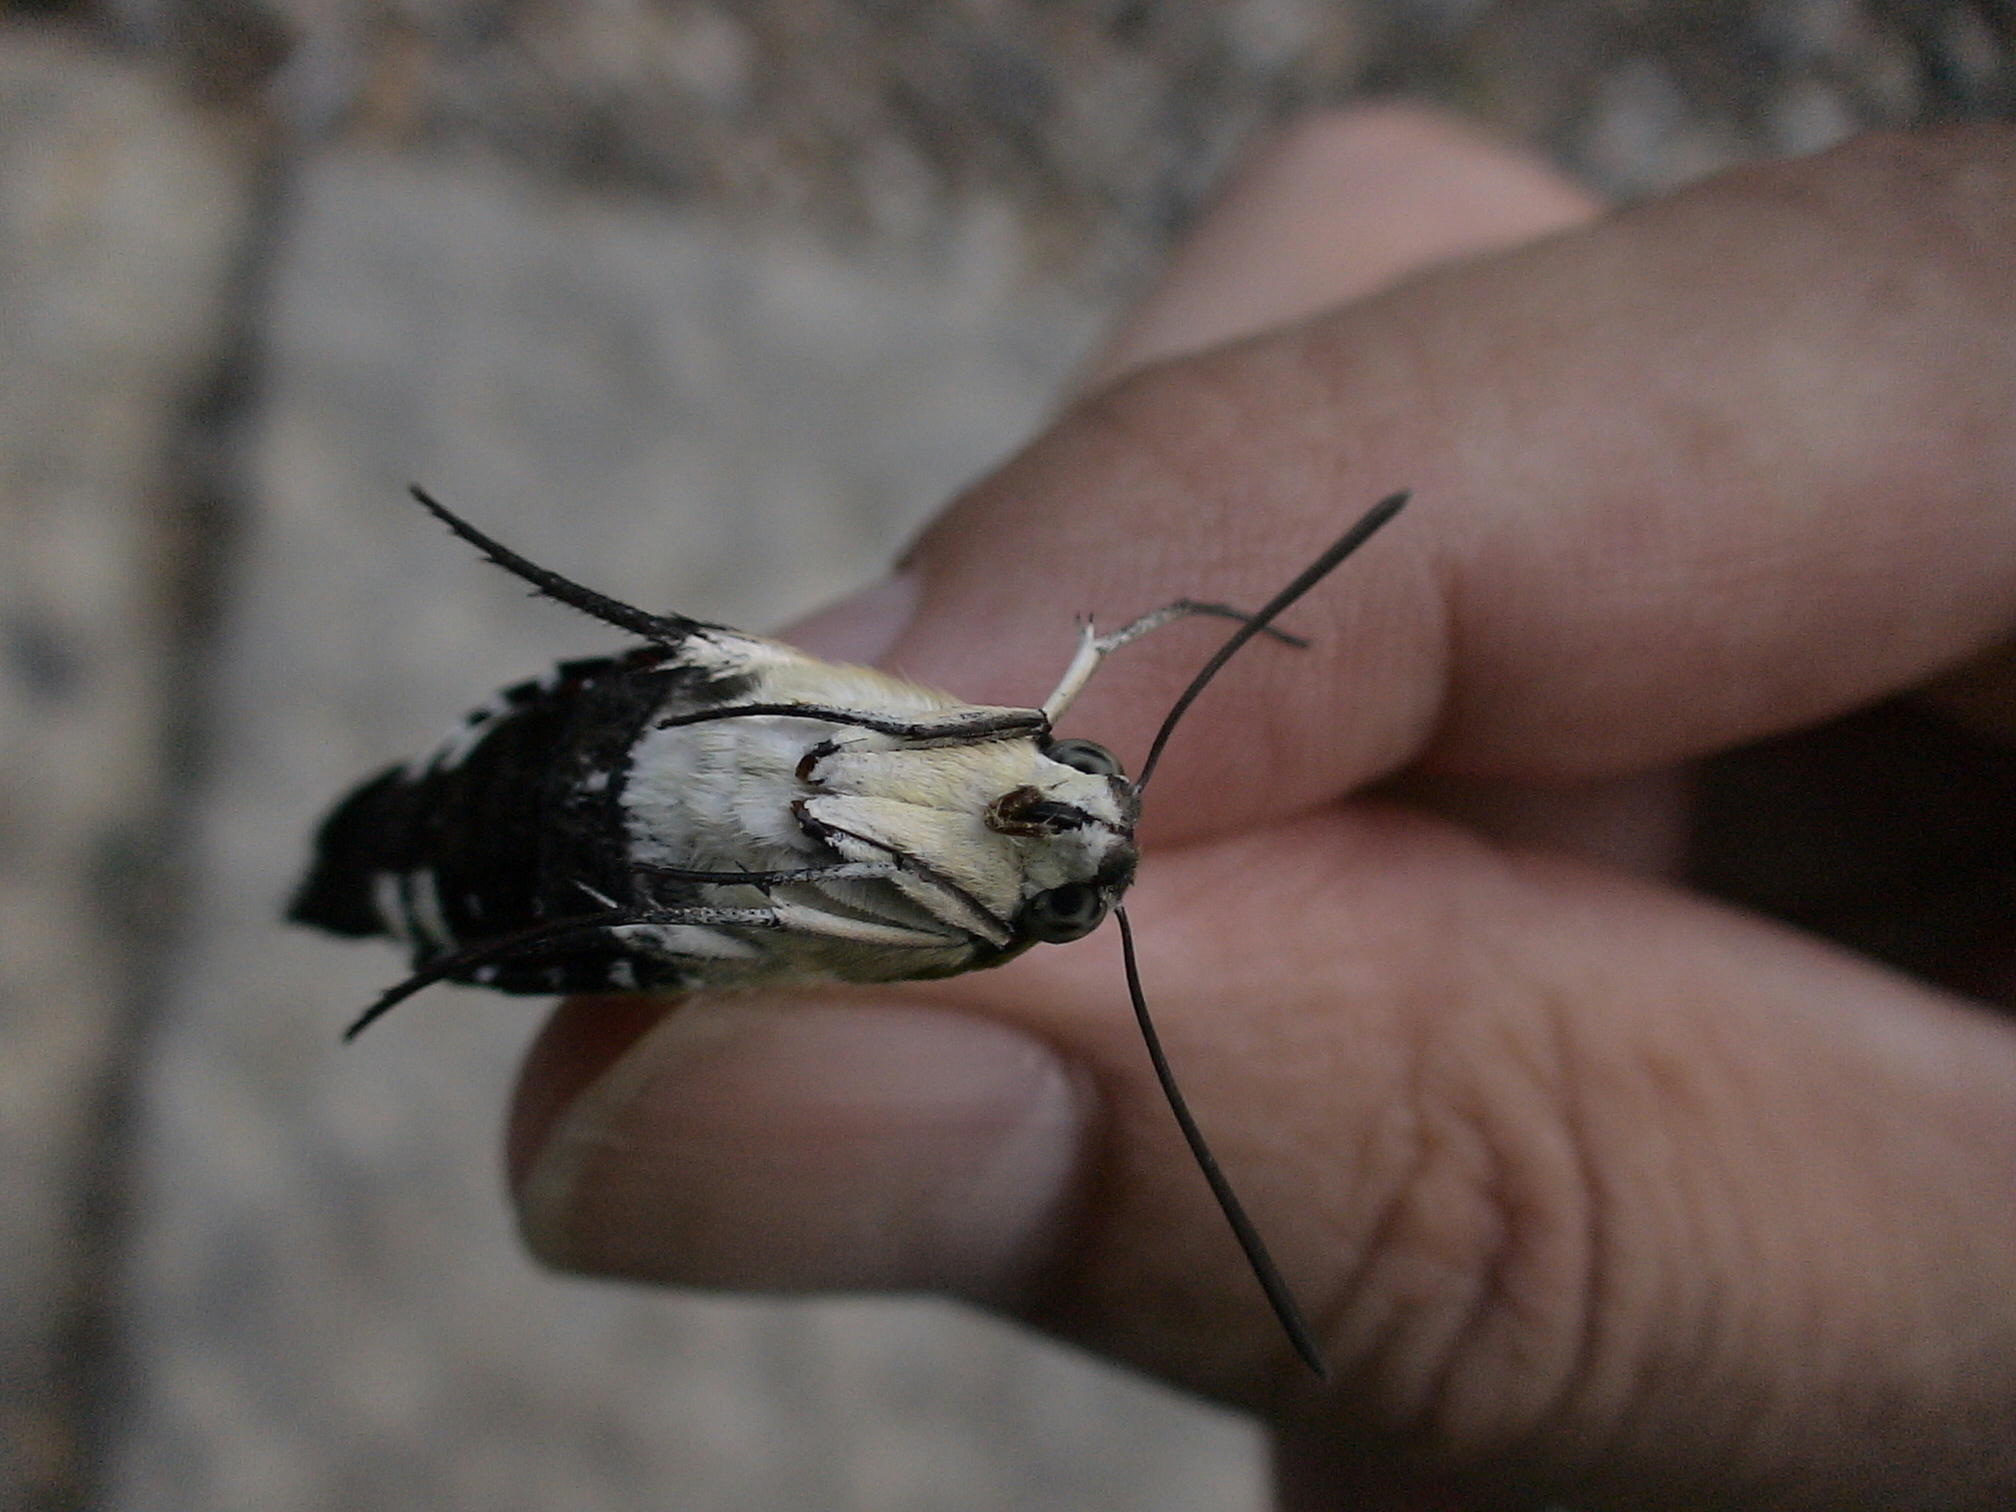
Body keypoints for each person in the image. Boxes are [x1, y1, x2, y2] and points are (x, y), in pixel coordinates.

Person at [503, 107, 2016, 1509]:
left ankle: (488, 880)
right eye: (1065, 800)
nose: (1065, 826)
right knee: (715, 711)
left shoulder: (946, 918)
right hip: (628, 785)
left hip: (661, 883)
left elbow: (882, 892)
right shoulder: (1011, 733)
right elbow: (1072, 662)